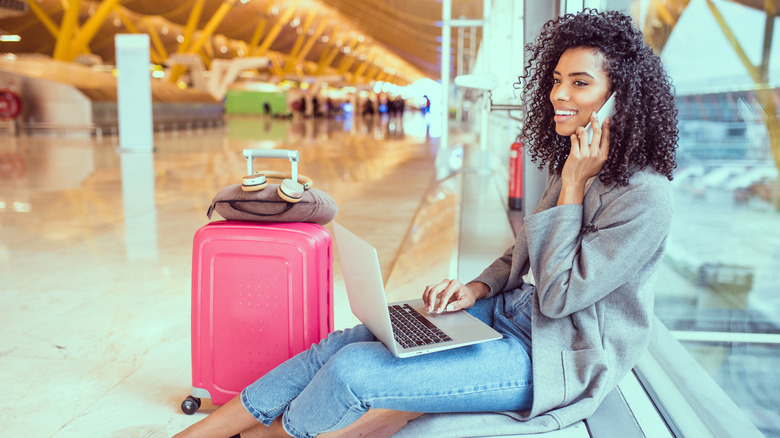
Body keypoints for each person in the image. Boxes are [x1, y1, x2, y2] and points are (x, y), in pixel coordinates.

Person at [174, 9, 678, 438]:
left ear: (622, 98)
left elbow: (561, 295)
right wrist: (478, 288)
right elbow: (525, 250)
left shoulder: (644, 197)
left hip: (556, 356)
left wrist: (571, 188)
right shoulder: (580, 163)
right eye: (556, 79)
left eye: (580, 83)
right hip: (507, 315)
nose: (557, 94)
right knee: (348, 340)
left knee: (352, 372)